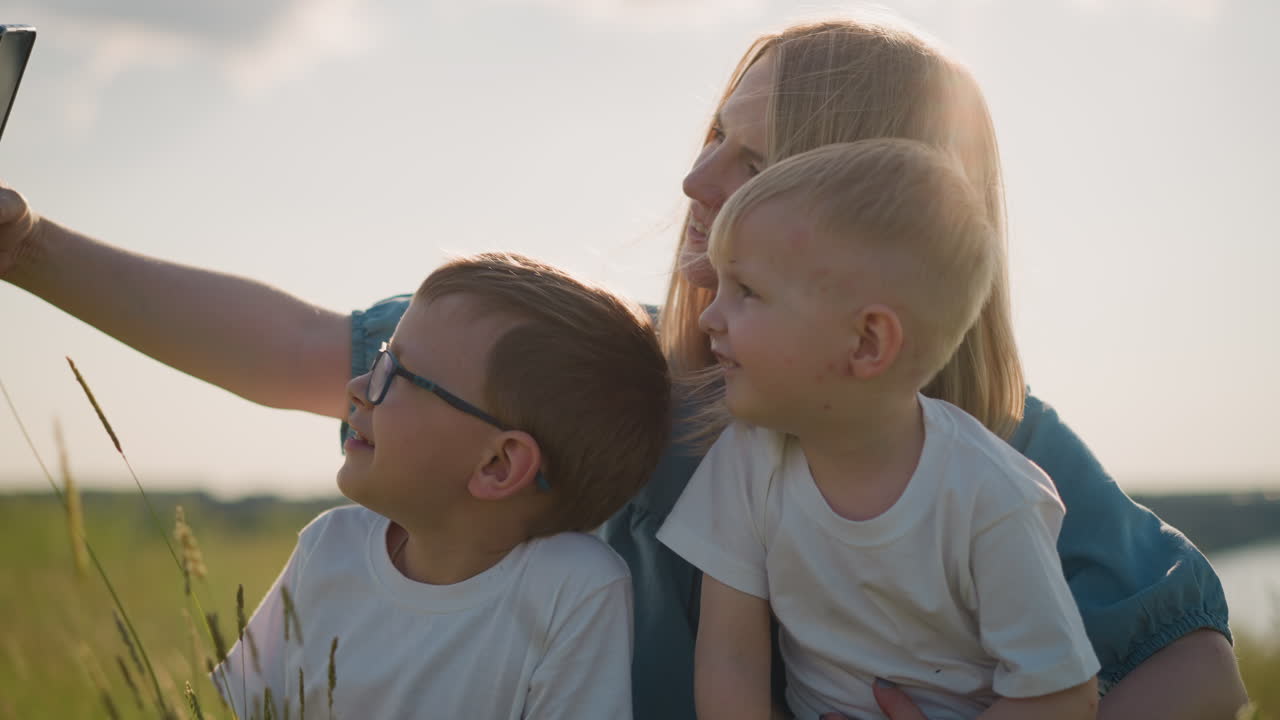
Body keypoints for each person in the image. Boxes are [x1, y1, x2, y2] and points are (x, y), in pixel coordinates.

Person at [0, 15, 1248, 720]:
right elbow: (292, 347)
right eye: (708, 134)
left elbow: (1193, 656)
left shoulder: (976, 443)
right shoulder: (599, 374)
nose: (695, 182)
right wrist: (29, 244)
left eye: (750, 162)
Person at [658, 139, 1100, 720]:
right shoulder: (749, 457)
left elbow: (1061, 695)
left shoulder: (989, 496)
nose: (710, 315)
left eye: (746, 292)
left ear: (867, 342)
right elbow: (729, 660)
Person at [213, 253, 671, 720]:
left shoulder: (573, 588)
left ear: (498, 464)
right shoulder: (329, 546)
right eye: (380, 358)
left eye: (396, 374)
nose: (357, 386)